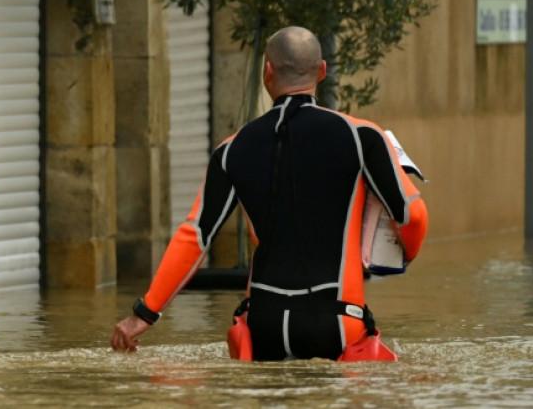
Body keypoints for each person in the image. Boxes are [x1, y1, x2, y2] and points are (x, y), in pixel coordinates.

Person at [111, 26, 428, 360]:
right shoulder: (363, 137)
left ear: (267, 72)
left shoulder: (231, 150)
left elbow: (195, 237)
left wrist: (143, 314)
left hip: (263, 325)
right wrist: (400, 255)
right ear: (322, 71)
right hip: (336, 322)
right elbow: (413, 216)